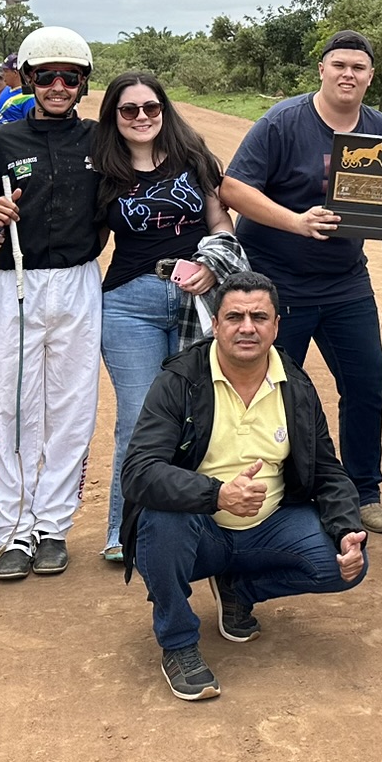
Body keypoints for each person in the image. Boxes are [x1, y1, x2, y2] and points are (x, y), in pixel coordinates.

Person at [219, 30, 382, 535]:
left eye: (358, 68)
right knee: (274, 392)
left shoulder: (379, 129)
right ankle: (278, 495)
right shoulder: (282, 122)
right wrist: (296, 222)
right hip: (277, 284)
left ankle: (364, 493)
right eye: (339, 65)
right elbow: (233, 188)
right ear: (322, 69)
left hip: (344, 284)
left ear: (369, 76)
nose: (348, 74)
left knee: (364, 385)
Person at [119, 272, 369, 703]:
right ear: (216, 324)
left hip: (270, 526)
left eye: (259, 317)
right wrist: (216, 494)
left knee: (344, 564)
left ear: (276, 326)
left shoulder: (296, 385)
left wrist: (347, 528)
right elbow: (139, 471)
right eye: (235, 317)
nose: (247, 327)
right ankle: (178, 642)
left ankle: (239, 589)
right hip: (200, 529)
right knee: (160, 520)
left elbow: (329, 471)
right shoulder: (180, 380)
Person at [0, 26, 107, 579]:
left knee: (72, 407)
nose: (57, 86)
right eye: (47, 76)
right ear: (28, 79)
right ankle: (12, 532)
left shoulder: (101, 140)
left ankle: (53, 526)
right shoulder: (4, 141)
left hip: (79, 281)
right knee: (11, 406)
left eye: (69, 78)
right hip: (18, 282)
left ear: (82, 84)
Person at [93, 71, 233, 561]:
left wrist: (213, 265)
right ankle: (123, 531)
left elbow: (219, 219)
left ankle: (196, 522)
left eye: (150, 107)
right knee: (138, 419)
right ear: (114, 115)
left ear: (164, 110)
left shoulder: (193, 157)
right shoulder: (102, 169)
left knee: (199, 414)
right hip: (130, 305)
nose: (141, 117)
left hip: (198, 300)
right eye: (129, 110)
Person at [0, 57, 34, 126]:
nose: (3, 74)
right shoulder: (7, 89)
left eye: (5, 71)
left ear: (15, 73)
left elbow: (31, 125)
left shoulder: (28, 98)